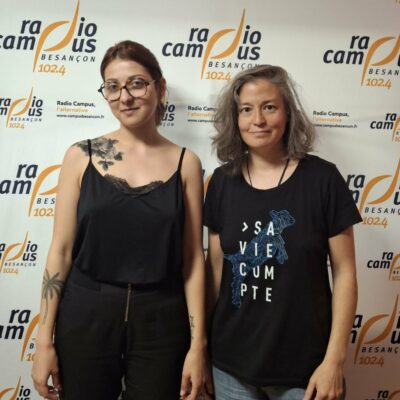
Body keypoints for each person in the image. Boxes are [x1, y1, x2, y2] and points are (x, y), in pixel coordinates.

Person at [32, 40, 210, 400]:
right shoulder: (80, 156)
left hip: (162, 318)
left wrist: (198, 344)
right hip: (86, 313)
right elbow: (61, 250)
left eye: (136, 84)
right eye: (112, 86)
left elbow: (192, 260)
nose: (124, 97)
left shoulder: (186, 164)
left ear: (159, 87)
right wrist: (43, 339)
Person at [204, 65, 361, 400]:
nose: (258, 120)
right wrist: (199, 348)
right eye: (246, 109)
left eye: (269, 107)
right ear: (235, 118)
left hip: (305, 370)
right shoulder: (221, 183)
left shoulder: (323, 180)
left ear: (288, 113)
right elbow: (215, 272)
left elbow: (345, 272)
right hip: (229, 366)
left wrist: (334, 360)